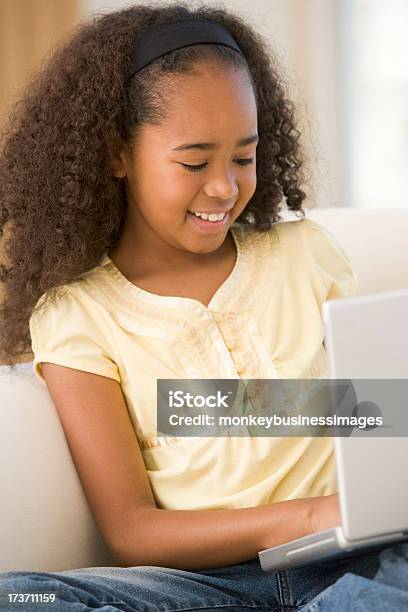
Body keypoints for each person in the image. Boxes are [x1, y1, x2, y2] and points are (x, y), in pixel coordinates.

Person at [0, 3, 407, 611]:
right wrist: (304, 515)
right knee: (22, 597)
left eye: (243, 158)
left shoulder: (306, 256)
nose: (224, 188)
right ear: (116, 155)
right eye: (194, 162)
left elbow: (371, 418)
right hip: (208, 587)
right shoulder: (77, 313)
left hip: (359, 559)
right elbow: (132, 529)